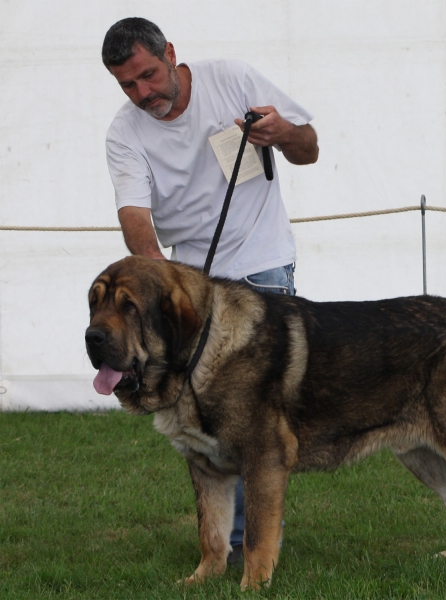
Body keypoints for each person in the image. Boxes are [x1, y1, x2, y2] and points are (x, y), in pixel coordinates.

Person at [101, 17, 319, 564]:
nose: (143, 93)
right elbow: (135, 217)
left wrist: (283, 134)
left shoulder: (234, 79)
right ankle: (232, 543)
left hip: (265, 269)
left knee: (256, 419)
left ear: (170, 53)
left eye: (149, 75)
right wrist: (160, 284)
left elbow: (309, 148)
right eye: (128, 85)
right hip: (193, 292)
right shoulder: (123, 133)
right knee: (206, 419)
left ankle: (251, 546)